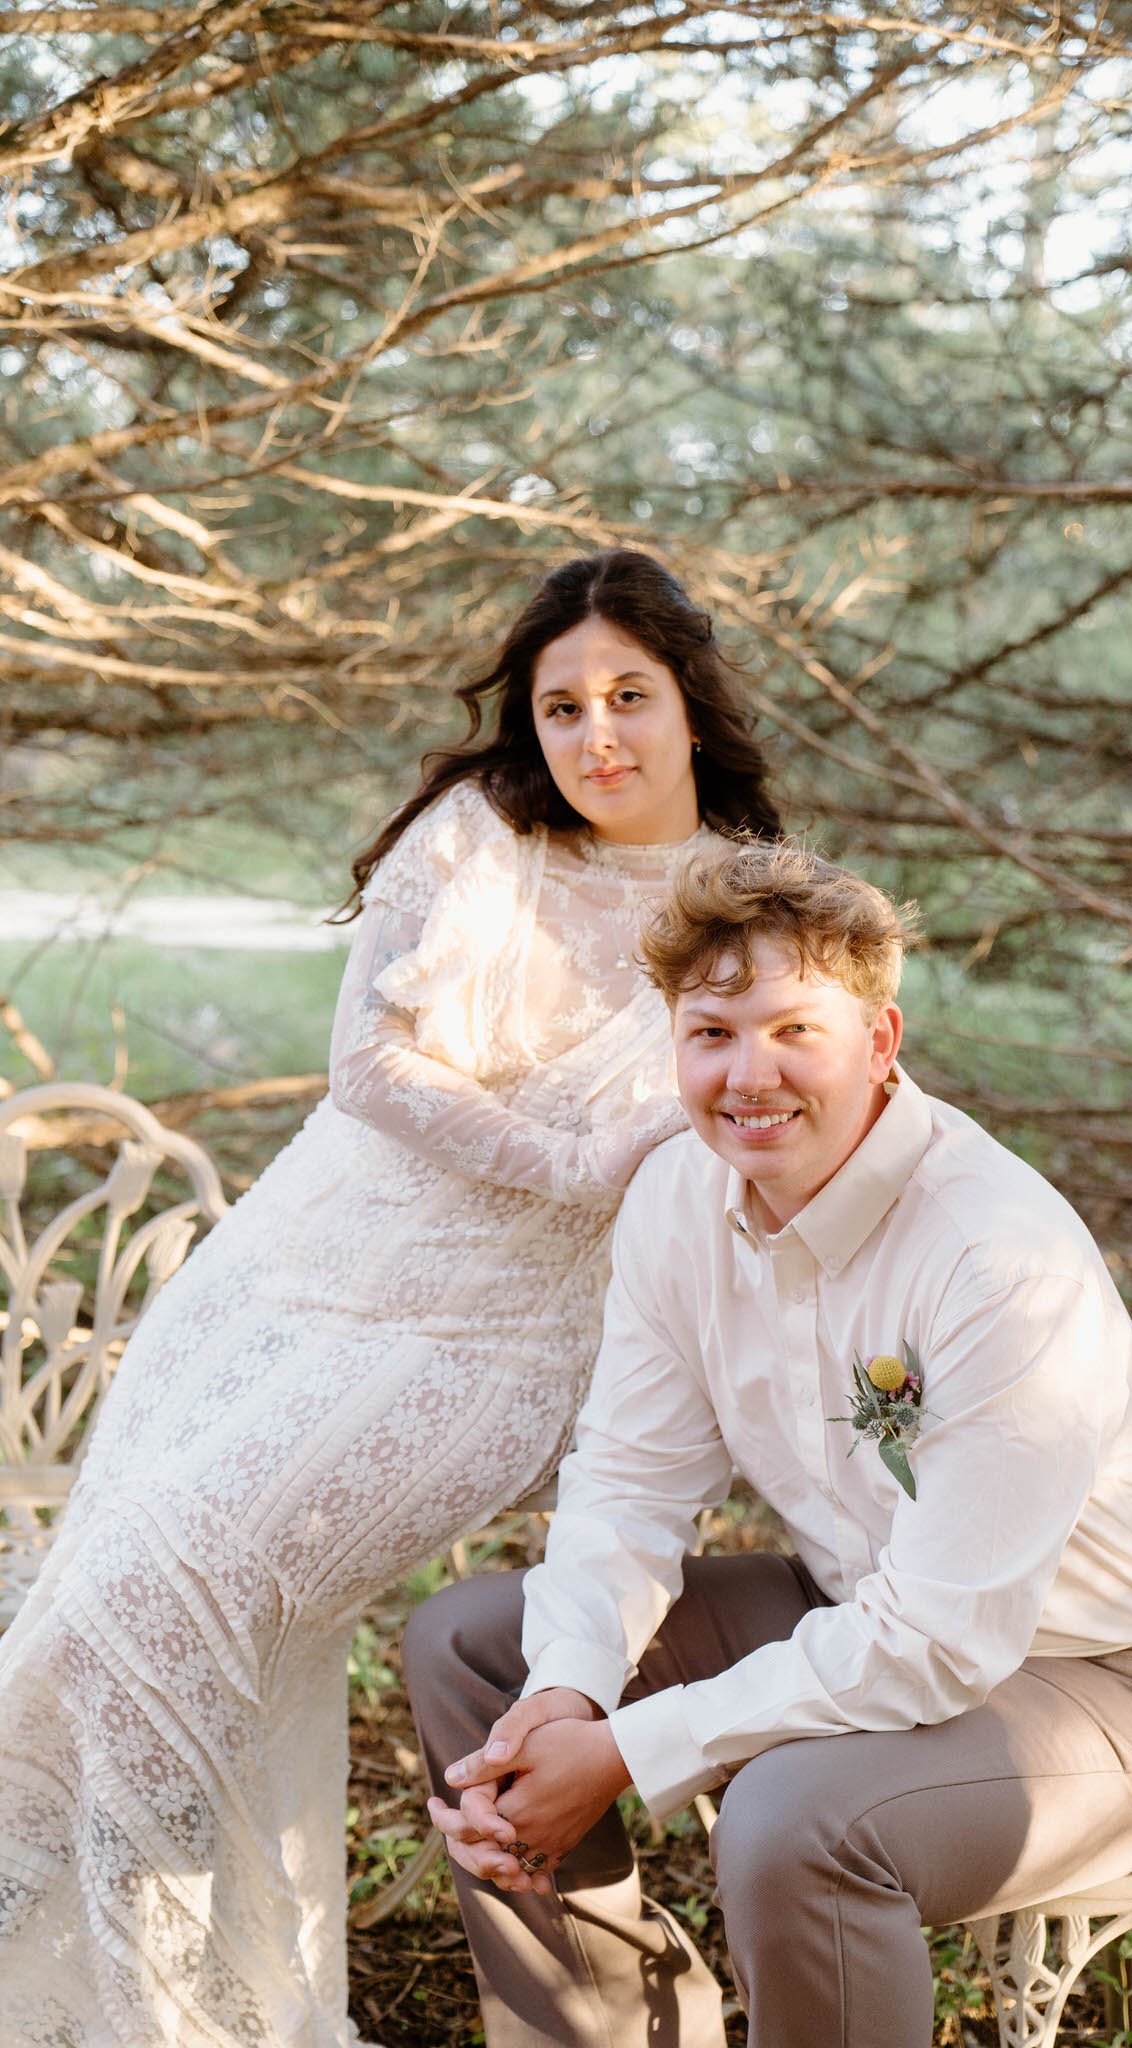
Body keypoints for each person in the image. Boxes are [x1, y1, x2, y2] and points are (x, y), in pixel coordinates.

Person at [0, 550, 781, 2048]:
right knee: (125, 1610)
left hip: (486, 1343)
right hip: (289, 1276)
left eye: (630, 696)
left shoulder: (742, 910)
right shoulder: (478, 830)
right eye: (561, 706)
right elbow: (368, 1070)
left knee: (157, 1609)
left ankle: (165, 2007)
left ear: (694, 705)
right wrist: (571, 1155)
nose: (596, 735)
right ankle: (179, 2003)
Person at [405, 839, 1132, 2048]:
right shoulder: (678, 1200)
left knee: (792, 1816)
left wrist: (623, 1749)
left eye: (797, 1030)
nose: (751, 1076)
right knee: (476, 1647)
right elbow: (630, 1481)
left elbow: (944, 1640)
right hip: (849, 1601)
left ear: (881, 1042)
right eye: (713, 1032)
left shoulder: (991, 1254)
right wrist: (564, 1699)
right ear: (673, 1043)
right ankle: (600, 2034)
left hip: (1102, 1684)